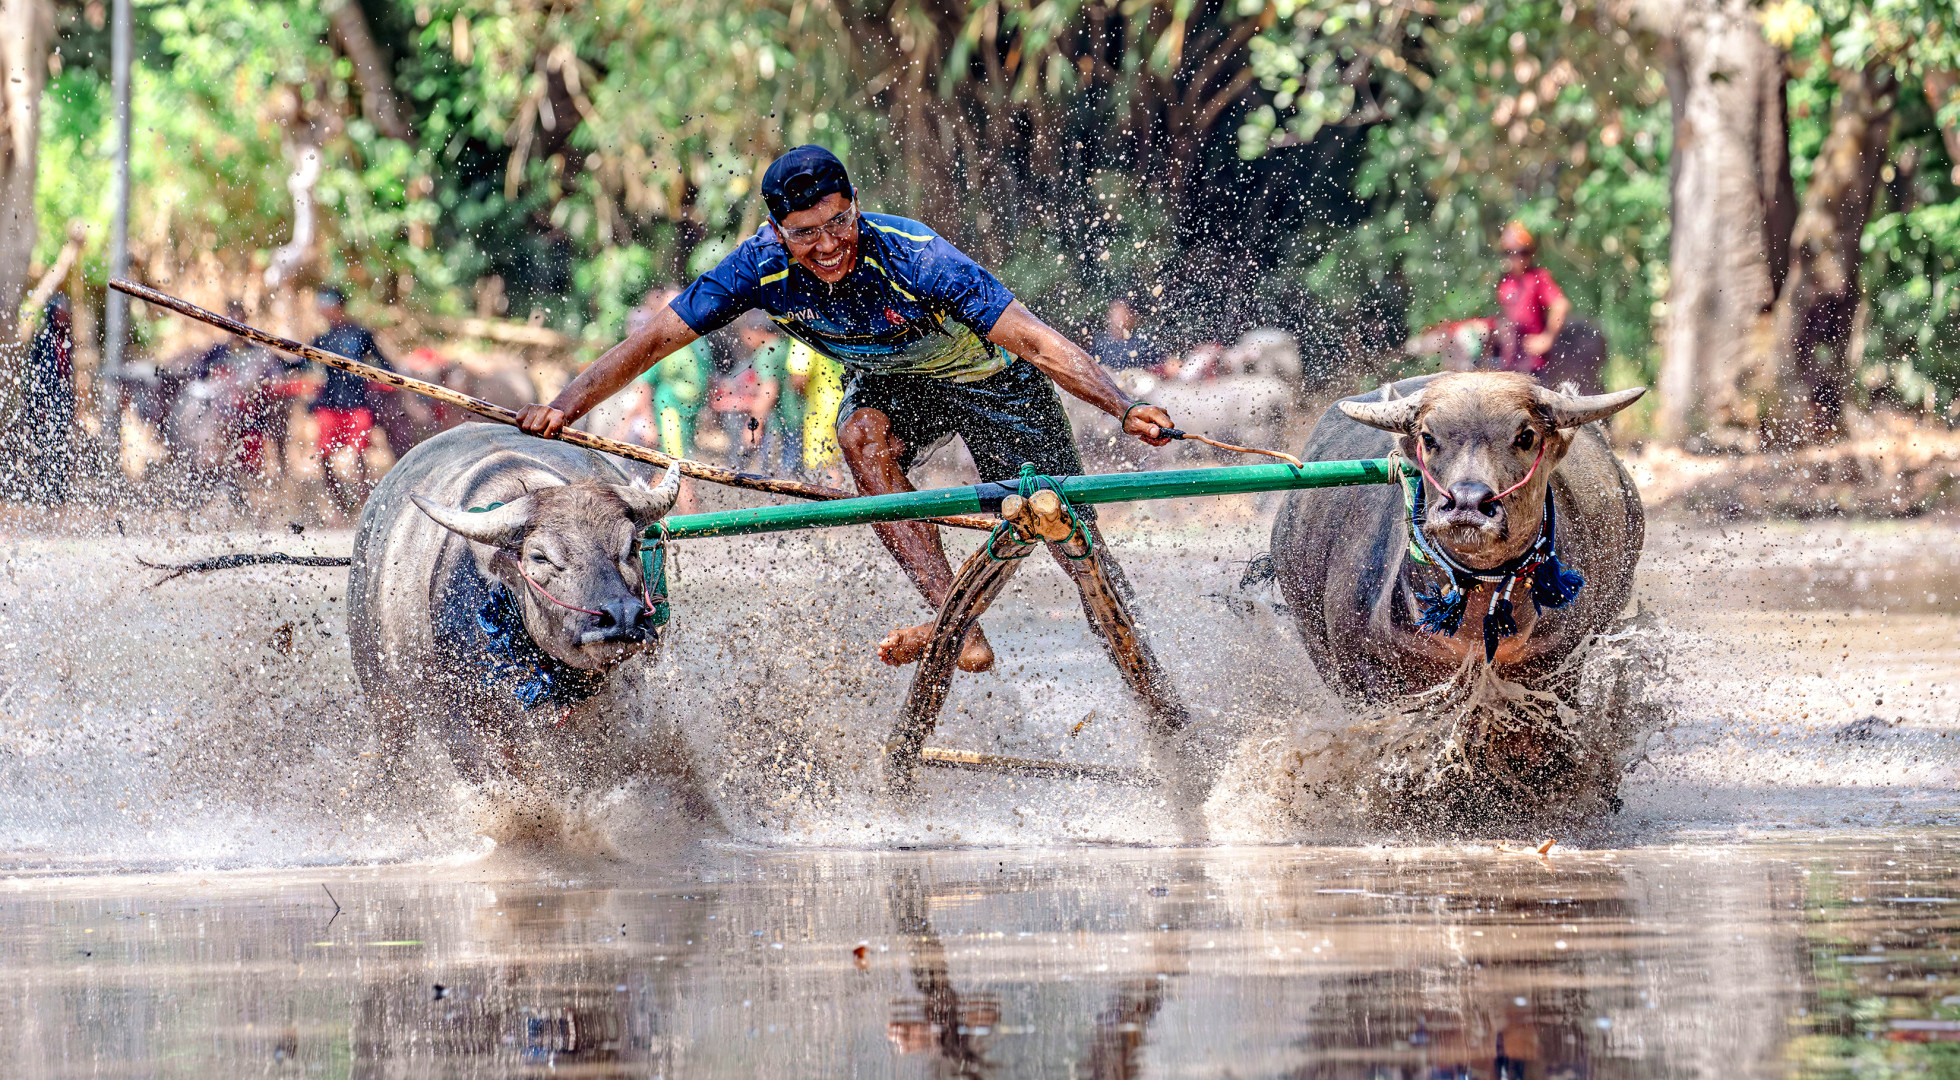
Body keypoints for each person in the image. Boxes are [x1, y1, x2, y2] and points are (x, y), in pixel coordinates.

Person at [516, 145, 1176, 674]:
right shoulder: (755, 268)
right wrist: (564, 406)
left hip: (997, 383)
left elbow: (1034, 339)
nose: (829, 244)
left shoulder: (916, 257)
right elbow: (655, 339)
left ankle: (1140, 659)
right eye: (806, 234)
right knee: (858, 433)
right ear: (777, 231)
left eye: (839, 222)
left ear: (855, 204)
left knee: (1076, 547)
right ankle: (956, 621)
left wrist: (1122, 407)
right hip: (896, 388)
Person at [308, 286, 393, 516]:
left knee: (358, 455)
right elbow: (301, 363)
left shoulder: (361, 335)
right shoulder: (322, 339)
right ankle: (340, 505)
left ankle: (364, 507)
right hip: (330, 405)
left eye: (325, 303)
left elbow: (385, 365)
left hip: (357, 405)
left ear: (339, 306)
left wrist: (387, 379)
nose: (321, 308)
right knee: (324, 456)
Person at [1490, 221, 1572, 376]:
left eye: (1523, 252)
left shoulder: (1538, 278)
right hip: (1510, 364)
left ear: (1531, 253)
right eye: (1509, 252)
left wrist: (1547, 338)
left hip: (1533, 364)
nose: (1516, 258)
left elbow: (1560, 305)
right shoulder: (1506, 282)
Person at [1090, 298, 1160, 371]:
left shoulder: (1140, 342)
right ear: (1110, 316)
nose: (1119, 319)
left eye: (1123, 314)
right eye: (1116, 314)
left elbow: (1156, 365)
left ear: (1130, 317)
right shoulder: (1100, 342)